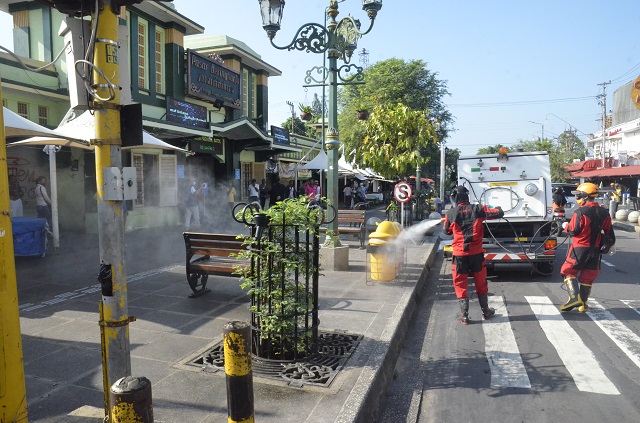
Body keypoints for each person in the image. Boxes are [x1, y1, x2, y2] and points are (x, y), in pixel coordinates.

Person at [443, 185, 504, 324]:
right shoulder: (478, 209)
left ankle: (464, 315)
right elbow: (498, 213)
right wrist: (499, 208)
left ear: (455, 197)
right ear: (466, 196)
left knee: (460, 283)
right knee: (481, 282)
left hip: (459, 255)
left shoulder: (451, 213)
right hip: (476, 255)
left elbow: (446, 231)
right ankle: (486, 311)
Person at [559, 182, 615, 313]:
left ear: (584, 197)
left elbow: (573, 230)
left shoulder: (580, 212)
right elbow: (609, 233)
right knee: (588, 275)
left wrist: (564, 226)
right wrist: (611, 244)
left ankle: (574, 298)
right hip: (595, 250)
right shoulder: (604, 213)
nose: (577, 198)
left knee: (568, 271)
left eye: (579, 195)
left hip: (579, 248)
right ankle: (583, 304)